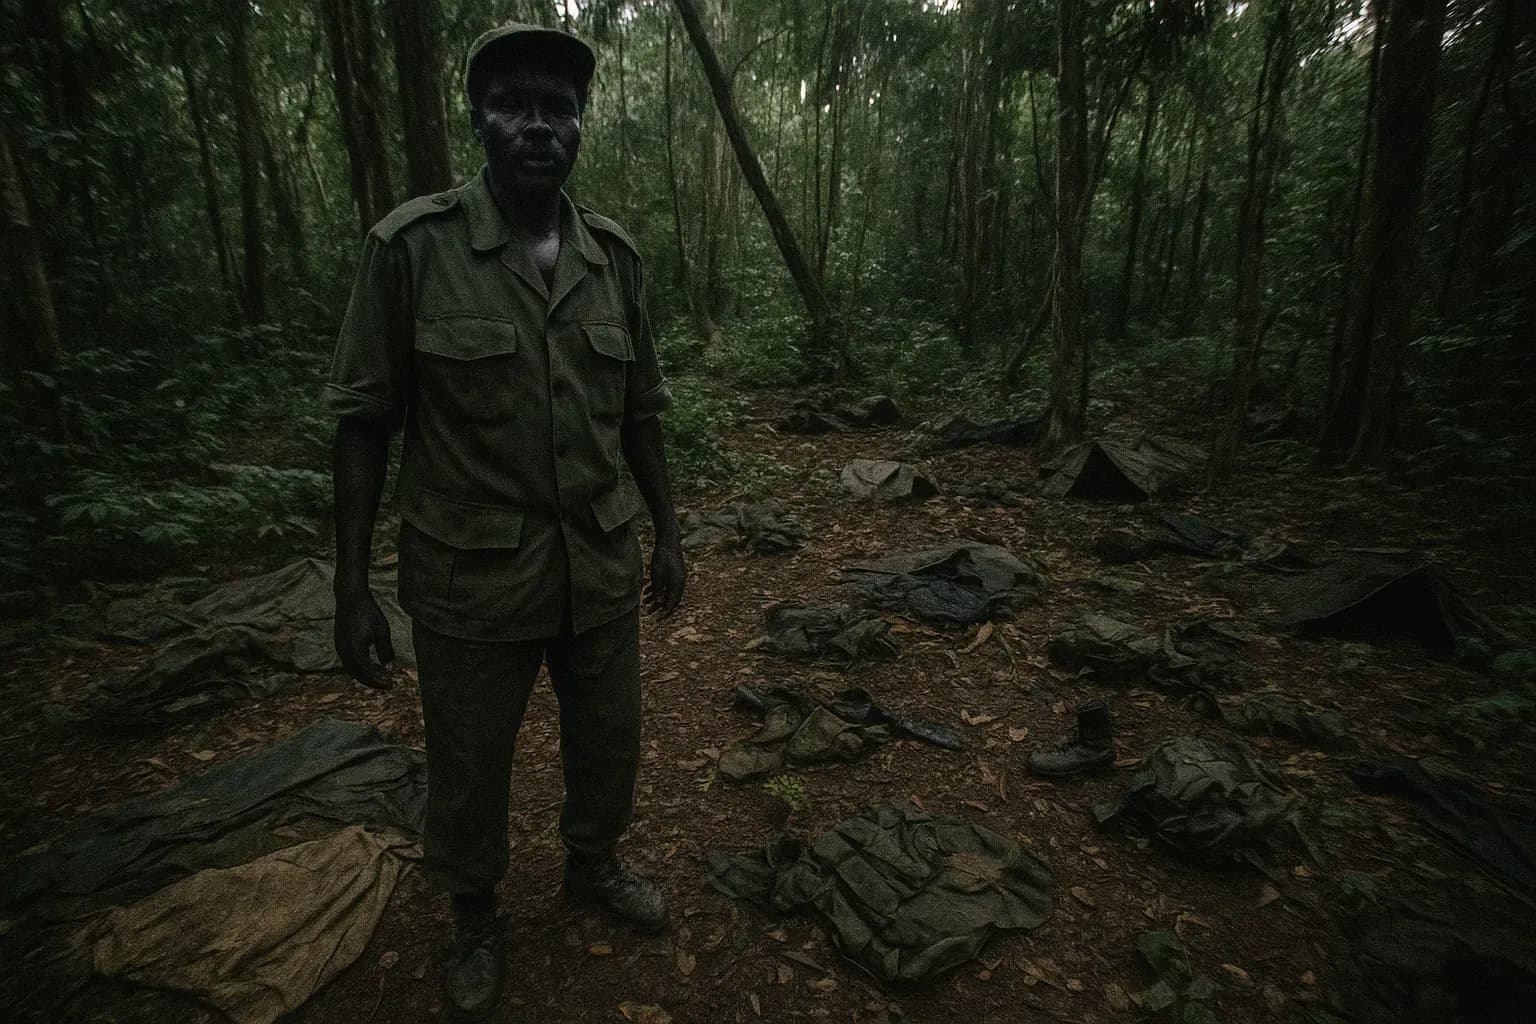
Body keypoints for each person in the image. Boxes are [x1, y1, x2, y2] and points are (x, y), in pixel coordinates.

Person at [325, 22, 685, 1021]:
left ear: (579, 126)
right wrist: (350, 585)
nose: (539, 124)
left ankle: (593, 864)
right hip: (470, 573)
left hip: (599, 560)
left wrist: (670, 528)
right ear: (479, 120)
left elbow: (641, 413)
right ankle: (475, 910)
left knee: (609, 736)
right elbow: (362, 422)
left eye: (558, 107)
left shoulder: (614, 259)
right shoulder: (412, 248)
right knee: (471, 756)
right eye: (516, 104)